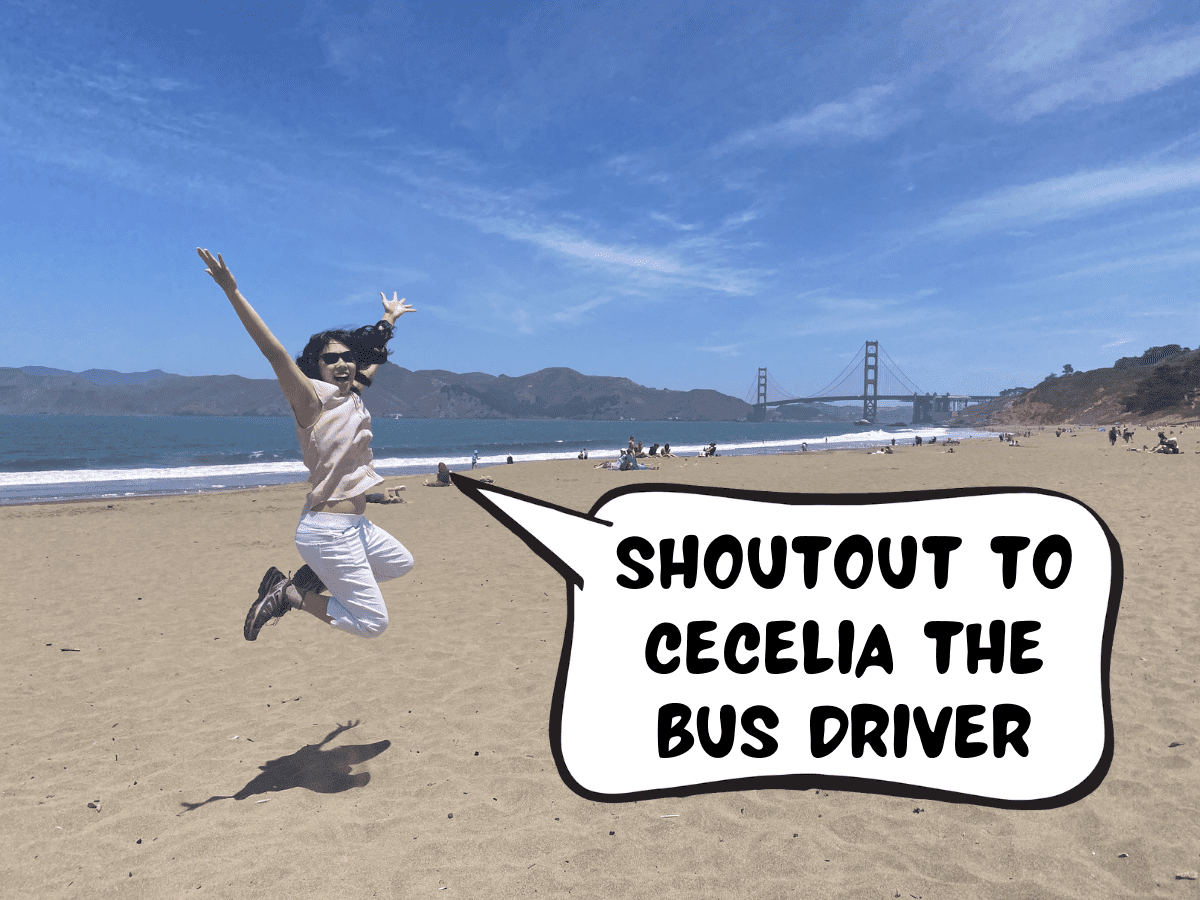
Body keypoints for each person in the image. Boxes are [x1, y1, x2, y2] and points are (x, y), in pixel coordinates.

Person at [198, 248, 415, 642]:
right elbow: (274, 353)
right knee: (372, 624)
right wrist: (232, 292)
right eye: (330, 360)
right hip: (328, 531)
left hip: (355, 525)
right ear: (315, 366)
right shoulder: (310, 399)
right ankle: (291, 593)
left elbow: (372, 362)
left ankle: (314, 575)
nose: (342, 364)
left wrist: (388, 319)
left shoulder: (350, 395)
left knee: (401, 562)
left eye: (348, 358)